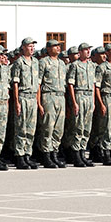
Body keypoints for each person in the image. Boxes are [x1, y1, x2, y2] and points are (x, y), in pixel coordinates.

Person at [10, 37, 40, 170]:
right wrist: (16, 102)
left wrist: (38, 102)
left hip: (33, 98)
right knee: (21, 128)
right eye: (29, 46)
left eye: (33, 46)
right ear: (23, 47)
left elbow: (38, 84)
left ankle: (28, 155)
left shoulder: (35, 62)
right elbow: (15, 83)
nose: (32, 48)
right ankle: (20, 156)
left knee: (31, 129)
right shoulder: (19, 63)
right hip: (23, 97)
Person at [37, 40, 67, 168]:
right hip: (48, 95)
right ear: (48, 49)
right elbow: (38, 83)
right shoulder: (43, 62)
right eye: (55, 46)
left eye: (59, 46)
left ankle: (54, 153)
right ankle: (46, 155)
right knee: (47, 127)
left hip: (60, 96)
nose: (58, 48)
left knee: (58, 129)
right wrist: (39, 103)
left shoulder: (62, 63)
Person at [65, 42, 96, 167]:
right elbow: (71, 84)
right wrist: (74, 102)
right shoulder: (75, 66)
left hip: (89, 96)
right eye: (85, 50)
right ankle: (76, 154)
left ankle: (83, 153)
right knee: (78, 126)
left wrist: (93, 101)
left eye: (89, 50)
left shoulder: (91, 66)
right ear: (80, 52)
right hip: (79, 95)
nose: (88, 52)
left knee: (87, 127)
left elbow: (94, 85)